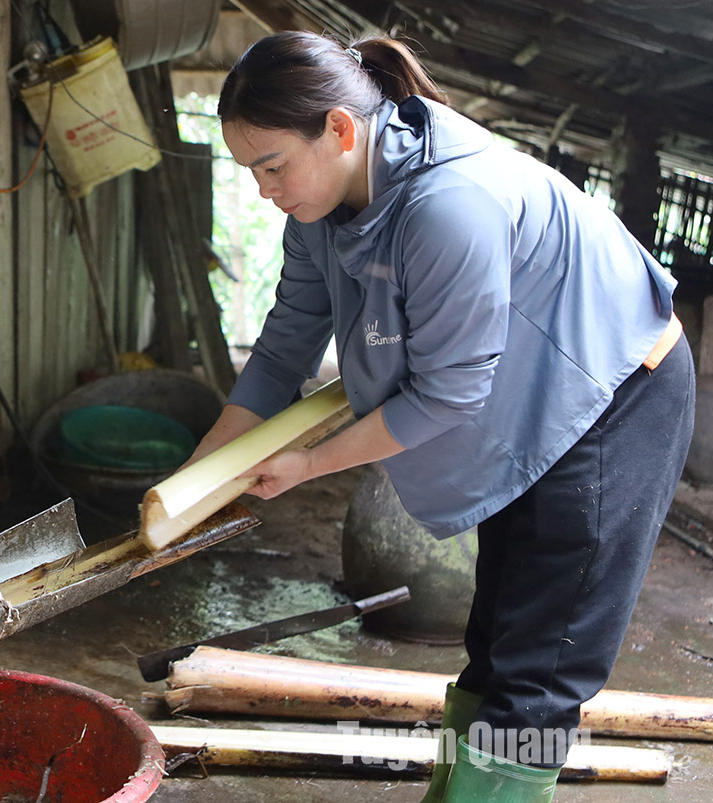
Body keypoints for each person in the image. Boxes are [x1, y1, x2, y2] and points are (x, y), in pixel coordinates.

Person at [192, 30, 696, 802]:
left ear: (339, 129)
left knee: (543, 666)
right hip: (528, 389)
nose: (264, 188)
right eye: (250, 171)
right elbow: (284, 347)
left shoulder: (449, 203)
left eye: (271, 165)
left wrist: (309, 462)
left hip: (617, 390)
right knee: (496, 636)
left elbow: (447, 394)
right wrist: (202, 472)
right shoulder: (320, 206)